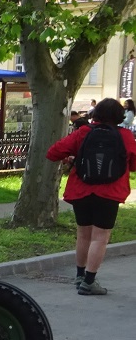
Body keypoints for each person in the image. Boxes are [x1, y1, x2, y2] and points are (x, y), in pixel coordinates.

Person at [47, 98, 136, 296]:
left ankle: (79, 276)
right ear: (119, 116)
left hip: (81, 190)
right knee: (100, 237)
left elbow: (53, 152)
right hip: (110, 192)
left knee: (83, 234)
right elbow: (134, 163)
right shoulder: (125, 136)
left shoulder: (84, 132)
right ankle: (89, 281)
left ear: (96, 114)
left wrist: (71, 158)